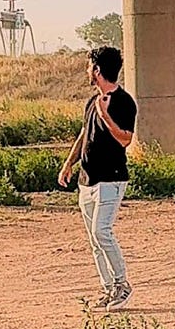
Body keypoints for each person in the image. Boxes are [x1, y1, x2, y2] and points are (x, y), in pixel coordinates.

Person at [58, 46, 138, 310]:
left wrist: (106, 116)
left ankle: (122, 285)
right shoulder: (92, 101)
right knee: (94, 240)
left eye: (89, 66)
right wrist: (69, 163)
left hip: (110, 180)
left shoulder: (124, 102)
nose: (87, 71)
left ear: (97, 70)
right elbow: (84, 134)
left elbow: (125, 139)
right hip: (87, 180)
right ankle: (108, 289)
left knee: (101, 231)